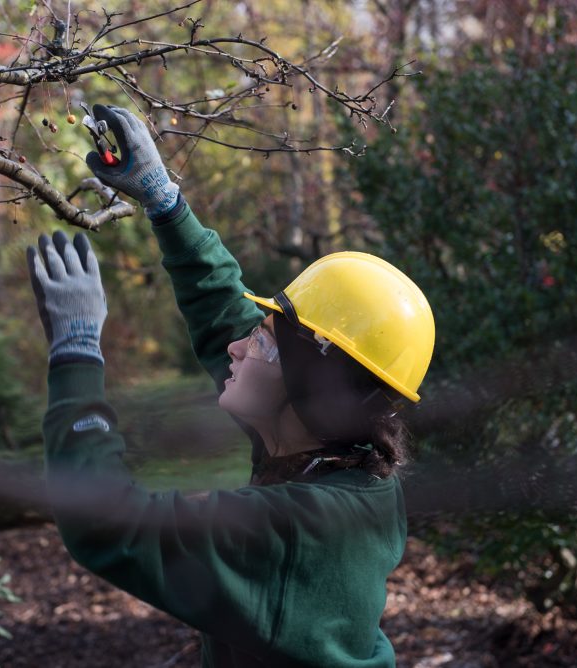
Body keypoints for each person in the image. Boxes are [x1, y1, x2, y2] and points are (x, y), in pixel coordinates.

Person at [25, 105, 435, 667]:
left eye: (264, 342)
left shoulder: (294, 531)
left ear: (311, 386)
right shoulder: (338, 459)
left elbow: (104, 524)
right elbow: (229, 322)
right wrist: (166, 204)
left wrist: (75, 351)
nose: (240, 347)